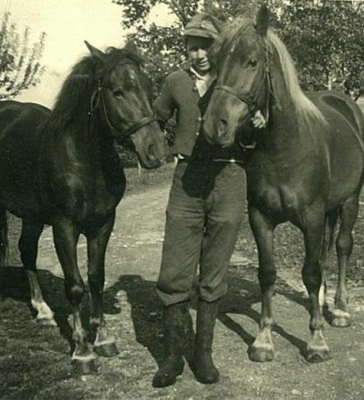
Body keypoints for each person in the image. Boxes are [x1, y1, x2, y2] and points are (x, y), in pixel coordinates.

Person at [151, 13, 266, 388]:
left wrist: (257, 125)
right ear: (184, 47)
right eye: (192, 45)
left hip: (230, 178)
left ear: (218, 49)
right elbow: (154, 118)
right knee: (173, 272)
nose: (199, 53)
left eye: (206, 46)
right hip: (187, 180)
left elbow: (254, 124)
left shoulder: (230, 81)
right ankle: (171, 357)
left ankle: (203, 354)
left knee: (214, 273)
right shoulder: (176, 82)